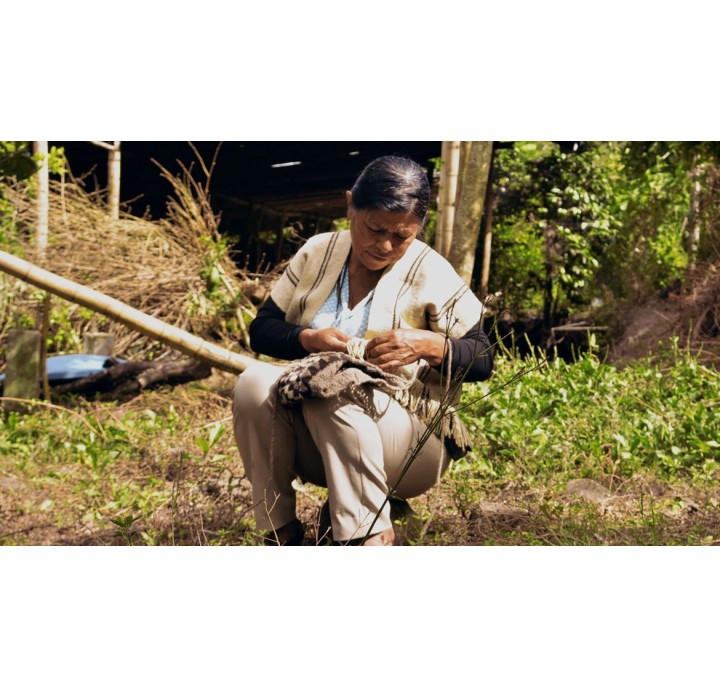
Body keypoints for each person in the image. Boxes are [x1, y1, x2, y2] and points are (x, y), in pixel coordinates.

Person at [232, 155, 493, 546]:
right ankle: (278, 530)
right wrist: (308, 339)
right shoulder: (318, 252)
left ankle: (366, 536)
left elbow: (483, 358)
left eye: (402, 236)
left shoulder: (429, 269)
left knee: (332, 385)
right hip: (319, 438)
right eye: (374, 229)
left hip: (409, 444)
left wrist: (427, 344)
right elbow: (262, 331)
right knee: (253, 383)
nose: (385, 245)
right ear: (351, 204)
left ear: (418, 228)